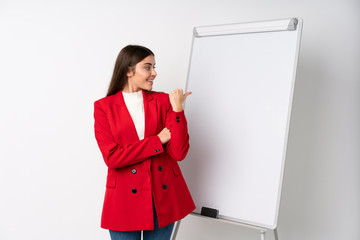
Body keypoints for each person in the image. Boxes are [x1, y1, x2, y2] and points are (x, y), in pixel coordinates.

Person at [93, 45, 195, 240]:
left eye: (154, 67)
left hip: (161, 197)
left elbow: (178, 153)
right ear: (128, 70)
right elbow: (113, 158)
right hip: (123, 200)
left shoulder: (164, 101)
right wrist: (157, 140)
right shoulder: (103, 107)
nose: (154, 73)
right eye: (147, 67)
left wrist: (178, 110)